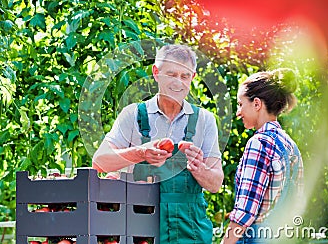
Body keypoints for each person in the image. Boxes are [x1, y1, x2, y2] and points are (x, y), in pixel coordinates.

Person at [93, 44, 224, 243]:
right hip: (140, 227)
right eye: (171, 74)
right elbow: (100, 162)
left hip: (190, 229)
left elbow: (215, 183)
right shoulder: (133, 114)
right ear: (156, 72)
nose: (178, 83)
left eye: (184, 76)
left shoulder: (204, 120)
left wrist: (200, 169)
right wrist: (141, 153)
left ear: (193, 77)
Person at [221, 68, 304, 244]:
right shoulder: (291, 146)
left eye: (240, 104)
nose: (238, 112)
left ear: (257, 104)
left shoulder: (259, 144)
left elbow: (244, 212)